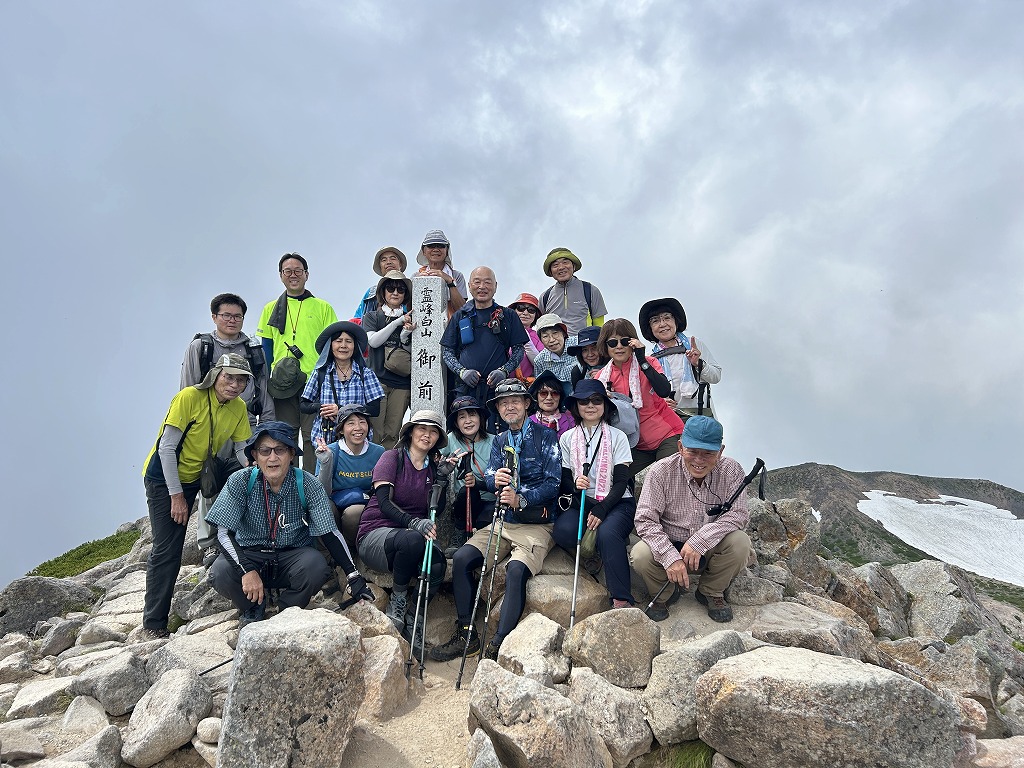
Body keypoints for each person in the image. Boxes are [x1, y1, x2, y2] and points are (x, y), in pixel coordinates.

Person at [430, 380, 560, 663]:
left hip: (536, 524)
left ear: (527, 404)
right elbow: (489, 477)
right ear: (498, 409)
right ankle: (466, 633)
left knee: (516, 570)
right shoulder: (500, 440)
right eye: (503, 403)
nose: (509, 406)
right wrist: (494, 479)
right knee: (462, 558)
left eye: (515, 400)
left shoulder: (546, 436)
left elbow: (553, 483)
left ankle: (499, 642)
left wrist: (521, 498)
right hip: (503, 521)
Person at [206, 421, 374, 626]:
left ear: (292, 454)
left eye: (280, 450)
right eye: (265, 451)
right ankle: (252, 607)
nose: (272, 458)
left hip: (291, 556)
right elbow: (223, 533)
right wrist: (246, 570)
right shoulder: (240, 481)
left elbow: (330, 533)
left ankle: (287, 609)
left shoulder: (308, 484)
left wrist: (354, 577)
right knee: (220, 571)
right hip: (250, 552)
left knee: (316, 566)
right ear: (255, 456)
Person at [138, 354, 255, 640]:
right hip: (166, 478)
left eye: (241, 380)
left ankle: (234, 542)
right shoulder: (189, 398)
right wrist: (176, 496)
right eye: (229, 377)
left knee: (245, 476)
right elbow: (166, 448)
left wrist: (258, 475)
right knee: (168, 549)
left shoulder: (238, 407)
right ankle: (153, 624)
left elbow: (241, 449)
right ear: (215, 375)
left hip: (203, 473)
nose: (234, 384)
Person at [630, 416, 752, 623]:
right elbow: (645, 520)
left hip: (709, 549)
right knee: (640, 554)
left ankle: (710, 591)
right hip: (670, 547)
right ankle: (665, 593)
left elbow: (738, 514)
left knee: (741, 542)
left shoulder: (731, 470)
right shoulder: (660, 472)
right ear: (680, 447)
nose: (699, 460)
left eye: (708, 453)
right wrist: (669, 556)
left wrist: (700, 540)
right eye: (692, 451)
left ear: (720, 451)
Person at [180, 293, 275, 559]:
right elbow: (187, 388)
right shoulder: (201, 347)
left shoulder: (253, 349)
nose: (232, 320)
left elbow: (263, 388)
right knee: (210, 479)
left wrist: (267, 427)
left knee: (251, 476)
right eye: (226, 315)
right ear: (214, 317)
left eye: (237, 316)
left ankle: (246, 536)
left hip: (248, 423)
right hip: (210, 425)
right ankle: (210, 543)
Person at [356, 411, 460, 645]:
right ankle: (398, 603)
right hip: (377, 534)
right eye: (422, 429)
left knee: (438, 562)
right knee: (412, 540)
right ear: (411, 432)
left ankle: (416, 614)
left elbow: (436, 510)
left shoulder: (432, 468)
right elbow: (384, 503)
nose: (427, 435)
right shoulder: (392, 458)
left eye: (433, 432)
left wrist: (442, 481)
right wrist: (414, 523)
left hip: (413, 539)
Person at [551, 379, 636, 608]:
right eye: (583, 401)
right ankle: (596, 552)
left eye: (597, 400)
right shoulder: (567, 438)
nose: (590, 405)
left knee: (608, 533)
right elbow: (565, 479)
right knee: (563, 532)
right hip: (583, 500)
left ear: (605, 405)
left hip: (616, 501)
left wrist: (602, 508)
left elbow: (621, 481)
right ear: (576, 406)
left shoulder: (618, 436)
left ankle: (621, 598)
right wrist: (575, 485)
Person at [256, 253, 339, 471]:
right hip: (282, 384)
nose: (293, 275)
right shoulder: (270, 309)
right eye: (288, 271)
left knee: (313, 435)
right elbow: (266, 350)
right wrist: (265, 382)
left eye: (298, 271)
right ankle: (287, 482)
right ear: (281, 275)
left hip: (314, 381)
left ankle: (311, 482)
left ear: (306, 274)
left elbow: (332, 346)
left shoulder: (323, 307)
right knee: (285, 435)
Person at [595, 319, 684, 477]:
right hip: (636, 444)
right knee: (613, 477)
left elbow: (664, 390)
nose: (619, 346)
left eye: (624, 341)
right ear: (605, 346)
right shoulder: (601, 377)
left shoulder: (649, 362)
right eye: (613, 343)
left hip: (667, 434)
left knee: (665, 475)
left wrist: (642, 360)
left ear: (633, 342)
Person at [440, 266, 528, 409]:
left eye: (487, 282)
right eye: (477, 282)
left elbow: (519, 349)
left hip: (498, 390)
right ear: (469, 286)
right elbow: (447, 352)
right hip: (465, 391)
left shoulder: (508, 315)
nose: (482, 287)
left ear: (495, 286)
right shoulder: (460, 316)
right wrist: (462, 372)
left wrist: (504, 370)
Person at [300, 320, 384, 447]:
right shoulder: (320, 373)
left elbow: (375, 409)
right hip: (325, 442)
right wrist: (321, 408)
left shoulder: (366, 374)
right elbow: (304, 405)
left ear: (355, 346)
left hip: (357, 441)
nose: (343, 345)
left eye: (348, 341)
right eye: (338, 341)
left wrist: (340, 410)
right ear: (330, 345)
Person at [314, 404, 386, 552]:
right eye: (351, 423)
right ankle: (328, 554)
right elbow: (321, 492)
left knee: (354, 513)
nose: (358, 428)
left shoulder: (379, 452)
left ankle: (352, 550)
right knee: (322, 508)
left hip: (362, 503)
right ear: (341, 429)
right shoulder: (330, 451)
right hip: (334, 500)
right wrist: (326, 462)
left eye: (362, 422)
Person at [639, 298, 721, 420]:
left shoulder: (693, 345)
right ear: (650, 328)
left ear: (676, 321)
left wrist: (698, 364)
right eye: (655, 321)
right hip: (670, 422)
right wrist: (661, 402)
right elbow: (647, 395)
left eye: (667, 318)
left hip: (702, 419)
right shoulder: (650, 360)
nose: (662, 324)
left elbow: (716, 377)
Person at [361, 270, 414, 448]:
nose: (395, 293)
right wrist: (397, 323)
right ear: (383, 292)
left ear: (406, 294)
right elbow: (373, 341)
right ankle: (373, 466)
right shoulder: (372, 316)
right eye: (390, 288)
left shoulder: (412, 319)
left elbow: (411, 352)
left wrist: (405, 335)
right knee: (374, 432)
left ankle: (388, 466)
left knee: (393, 433)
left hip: (402, 385)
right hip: (377, 382)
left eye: (401, 289)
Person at [441, 396, 496, 557]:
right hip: (464, 501)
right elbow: (433, 455)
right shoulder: (450, 439)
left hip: (490, 500)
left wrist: (478, 483)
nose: (468, 421)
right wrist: (442, 465)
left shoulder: (495, 441)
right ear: (456, 423)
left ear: (481, 418)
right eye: (462, 417)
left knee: (484, 523)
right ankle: (458, 534)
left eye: (472, 415)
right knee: (466, 491)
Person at [538, 247, 608, 334]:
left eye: (565, 262)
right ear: (550, 272)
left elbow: (599, 325)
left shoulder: (590, 290)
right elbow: (541, 326)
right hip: (555, 342)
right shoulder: (545, 297)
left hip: (585, 341)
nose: (561, 267)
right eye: (555, 265)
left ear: (574, 266)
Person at [415, 230, 466, 318]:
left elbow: (462, 309)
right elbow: (411, 308)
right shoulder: (416, 276)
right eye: (431, 246)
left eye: (440, 246)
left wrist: (450, 282)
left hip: (452, 325)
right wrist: (418, 285)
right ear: (423, 251)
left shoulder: (456, 276)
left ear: (447, 250)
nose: (436, 249)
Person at [353, 246, 408, 321]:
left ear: (400, 264)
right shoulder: (370, 293)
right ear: (380, 267)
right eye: (384, 260)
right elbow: (357, 319)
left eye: (393, 258)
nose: (388, 262)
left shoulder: (412, 289)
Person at [531, 313, 576, 393]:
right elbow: (540, 387)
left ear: (564, 333)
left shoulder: (577, 344)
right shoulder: (539, 360)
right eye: (545, 336)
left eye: (555, 333)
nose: (551, 340)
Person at [528, 370, 575, 438]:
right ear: (536, 397)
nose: (549, 398)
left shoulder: (571, 422)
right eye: (543, 393)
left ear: (560, 397)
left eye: (555, 393)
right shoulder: (528, 423)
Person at [509, 293, 543, 384]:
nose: (525, 313)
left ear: (536, 315)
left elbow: (542, 365)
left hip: (529, 386)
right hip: (500, 384)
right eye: (520, 308)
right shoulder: (502, 333)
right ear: (513, 311)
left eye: (531, 310)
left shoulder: (540, 337)